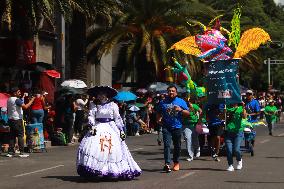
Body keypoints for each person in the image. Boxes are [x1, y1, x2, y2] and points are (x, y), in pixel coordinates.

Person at [76, 86, 141, 180]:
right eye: (99, 94)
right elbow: (91, 116)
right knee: (94, 148)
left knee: (112, 149)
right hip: (98, 127)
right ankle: (97, 168)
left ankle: (110, 170)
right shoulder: (94, 104)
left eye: (103, 94)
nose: (101, 96)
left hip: (110, 127)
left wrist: (121, 130)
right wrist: (92, 125)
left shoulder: (113, 105)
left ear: (107, 95)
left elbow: (117, 118)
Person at [156, 85, 190, 172]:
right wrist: (159, 119)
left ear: (176, 92)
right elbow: (158, 112)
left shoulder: (181, 101)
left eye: (173, 91)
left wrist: (180, 110)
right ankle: (167, 164)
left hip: (177, 127)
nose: (171, 92)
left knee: (177, 146)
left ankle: (176, 162)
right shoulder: (163, 102)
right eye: (169, 91)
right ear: (167, 92)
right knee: (167, 145)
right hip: (166, 126)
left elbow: (188, 113)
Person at [6, 87, 35, 157]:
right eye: (18, 92)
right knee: (20, 135)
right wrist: (31, 101)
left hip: (10, 119)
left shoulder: (9, 99)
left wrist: (23, 98)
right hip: (17, 120)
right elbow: (25, 107)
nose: (20, 93)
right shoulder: (16, 100)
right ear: (15, 93)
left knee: (12, 136)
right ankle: (21, 152)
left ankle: (10, 152)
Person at [224, 103, 247, 171]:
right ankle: (230, 165)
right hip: (228, 132)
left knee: (236, 149)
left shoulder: (240, 108)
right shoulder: (227, 107)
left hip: (238, 132)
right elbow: (222, 117)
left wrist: (243, 108)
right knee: (229, 150)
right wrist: (224, 112)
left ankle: (239, 160)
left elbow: (244, 116)